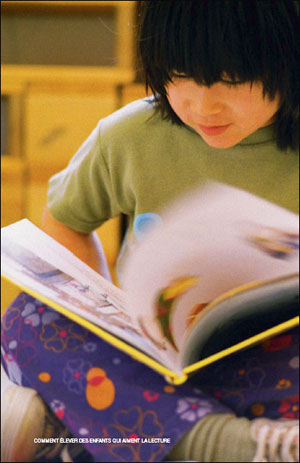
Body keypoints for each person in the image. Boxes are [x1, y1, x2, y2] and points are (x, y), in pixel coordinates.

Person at [1, 1, 299, 462]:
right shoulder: (131, 136)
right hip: (156, 360)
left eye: (232, 79)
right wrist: (98, 307)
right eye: (180, 73)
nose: (203, 105)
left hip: (272, 360)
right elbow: (65, 220)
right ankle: (224, 443)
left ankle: (104, 433)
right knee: (26, 322)